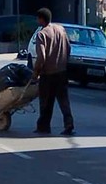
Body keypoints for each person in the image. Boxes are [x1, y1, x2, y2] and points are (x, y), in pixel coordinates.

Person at [32, 8, 75, 136]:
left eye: (37, 18)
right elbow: (68, 48)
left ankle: (44, 126)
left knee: (46, 101)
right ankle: (69, 123)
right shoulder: (61, 30)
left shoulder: (42, 34)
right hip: (61, 71)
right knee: (63, 100)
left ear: (41, 19)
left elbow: (41, 57)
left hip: (48, 73)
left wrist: (36, 72)